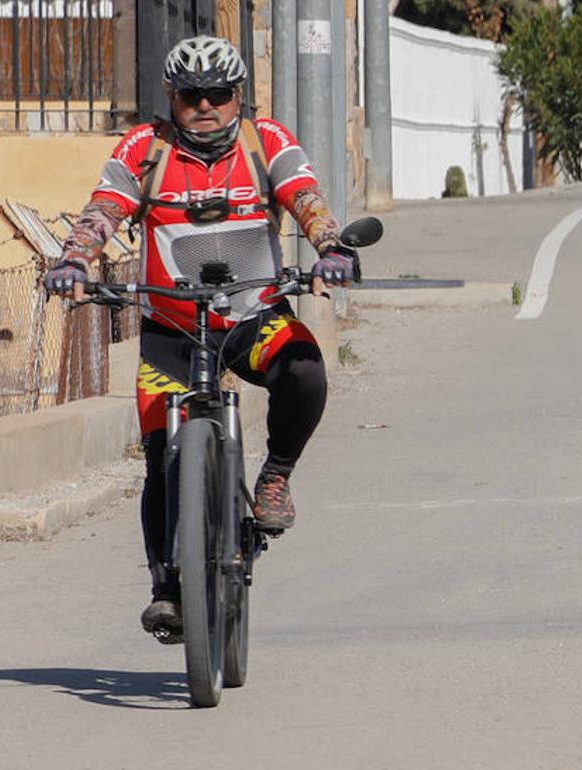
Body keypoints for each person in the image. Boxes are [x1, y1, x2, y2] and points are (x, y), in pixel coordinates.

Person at [45, 35, 358, 643]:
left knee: (306, 370)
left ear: (238, 96)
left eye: (218, 94)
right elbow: (103, 210)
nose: (206, 106)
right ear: (173, 97)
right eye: (193, 96)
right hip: (172, 326)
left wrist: (330, 247)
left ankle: (274, 476)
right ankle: (167, 589)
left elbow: (307, 200)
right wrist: (76, 260)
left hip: (252, 315)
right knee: (163, 456)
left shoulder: (266, 143)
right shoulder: (144, 148)